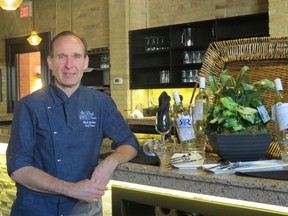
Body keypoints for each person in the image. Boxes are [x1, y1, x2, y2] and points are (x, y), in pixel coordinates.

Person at [6, 31, 139, 216]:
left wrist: (110, 162)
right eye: (61, 57)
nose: (69, 65)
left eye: (76, 56)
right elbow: (18, 169)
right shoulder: (28, 106)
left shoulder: (101, 103)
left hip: (84, 210)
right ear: (50, 61)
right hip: (36, 209)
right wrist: (71, 189)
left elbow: (129, 143)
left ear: (85, 62)